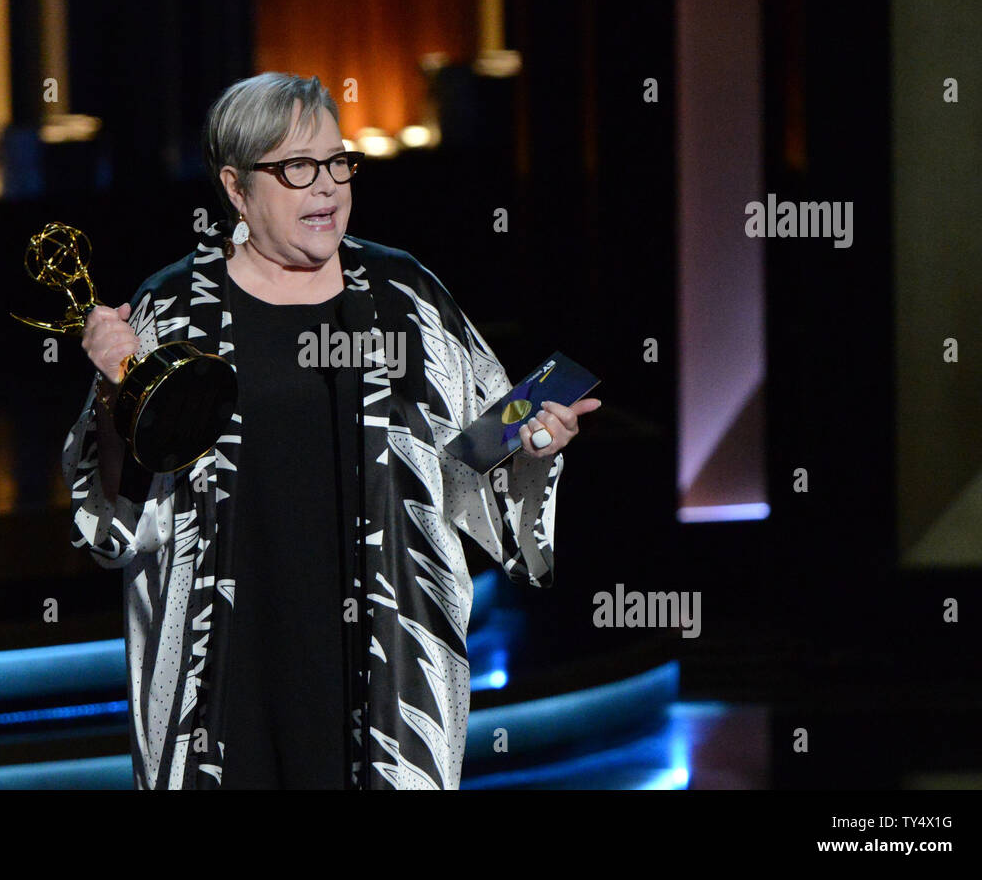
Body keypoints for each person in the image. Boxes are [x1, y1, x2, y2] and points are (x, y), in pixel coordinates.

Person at [62, 72, 600, 790]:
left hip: (382, 653)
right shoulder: (175, 307)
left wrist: (532, 438)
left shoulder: (404, 295)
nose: (327, 187)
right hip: (224, 663)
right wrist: (112, 388)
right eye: (297, 168)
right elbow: (115, 517)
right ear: (236, 187)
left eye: (338, 163)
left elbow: (473, 450)